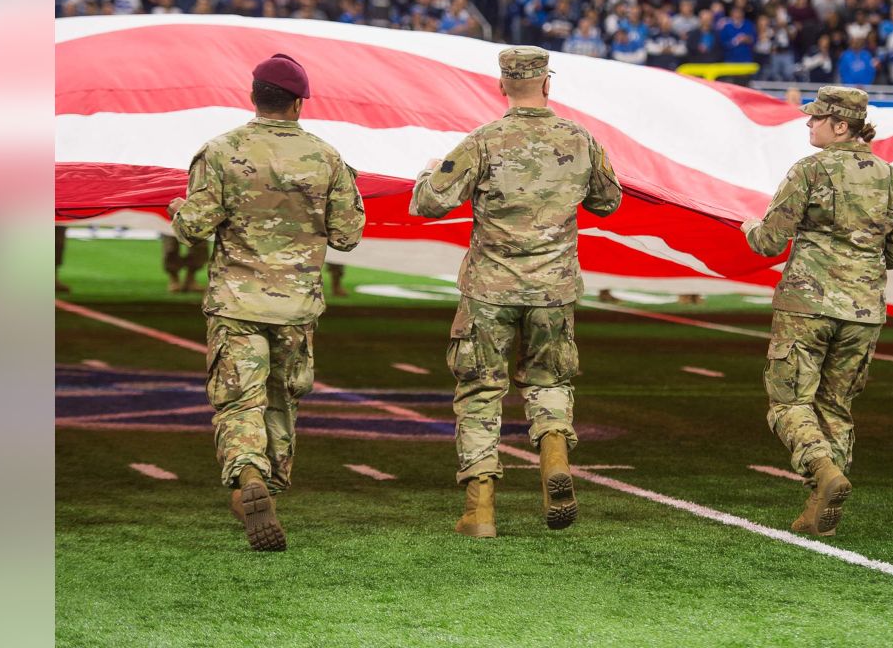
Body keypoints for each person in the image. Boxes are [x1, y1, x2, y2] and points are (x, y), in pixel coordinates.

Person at [411, 46, 622, 539]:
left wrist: (429, 170)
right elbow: (609, 202)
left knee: (481, 393)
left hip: (490, 291)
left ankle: (479, 511)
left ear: (501, 85)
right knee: (550, 381)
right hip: (553, 290)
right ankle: (553, 459)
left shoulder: (483, 142)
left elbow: (428, 202)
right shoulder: (581, 140)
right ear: (547, 83)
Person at [166, 54, 366, 551]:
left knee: (240, 401)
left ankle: (248, 477)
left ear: (253, 96)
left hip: (237, 303)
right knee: (281, 400)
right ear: (299, 103)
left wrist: (176, 206)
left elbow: (191, 230)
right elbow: (348, 235)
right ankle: (269, 485)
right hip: (296, 307)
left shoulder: (221, 150)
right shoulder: (326, 157)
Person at [741, 86, 893, 536]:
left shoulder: (809, 170)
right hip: (863, 310)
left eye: (816, 118)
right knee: (835, 406)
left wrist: (747, 227)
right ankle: (821, 503)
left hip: (809, 303)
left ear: (841, 125)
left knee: (789, 402)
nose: (808, 124)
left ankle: (822, 470)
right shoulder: (889, 177)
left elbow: (768, 241)